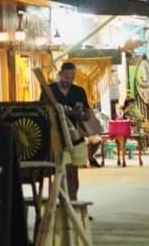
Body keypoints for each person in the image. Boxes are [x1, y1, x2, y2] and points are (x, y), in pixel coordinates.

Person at [43, 62, 90, 200]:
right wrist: (59, 111)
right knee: (59, 173)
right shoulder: (49, 90)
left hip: (75, 136)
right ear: (60, 74)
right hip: (56, 136)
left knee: (72, 173)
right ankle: (58, 204)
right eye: (66, 77)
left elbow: (87, 115)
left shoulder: (79, 91)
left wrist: (79, 113)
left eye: (71, 77)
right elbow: (42, 111)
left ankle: (74, 203)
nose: (68, 80)